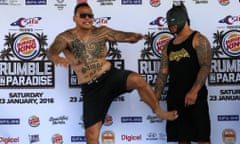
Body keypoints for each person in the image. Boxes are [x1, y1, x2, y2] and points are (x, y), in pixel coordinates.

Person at [47, 2, 178, 144]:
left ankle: (158, 111)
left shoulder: (101, 31)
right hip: (91, 88)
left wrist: (135, 37)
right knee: (91, 136)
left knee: (137, 79)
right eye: (83, 15)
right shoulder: (65, 37)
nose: (87, 19)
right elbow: (51, 52)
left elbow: (122, 36)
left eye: (90, 15)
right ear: (75, 18)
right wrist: (58, 59)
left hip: (109, 76)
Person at [154, 2, 212, 144]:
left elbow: (205, 66)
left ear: (183, 19)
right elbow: (162, 74)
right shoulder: (168, 45)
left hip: (195, 98)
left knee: (203, 139)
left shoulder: (199, 39)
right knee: (182, 140)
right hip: (175, 98)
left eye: (173, 23)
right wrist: (155, 99)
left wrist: (194, 91)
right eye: (169, 24)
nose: (171, 26)